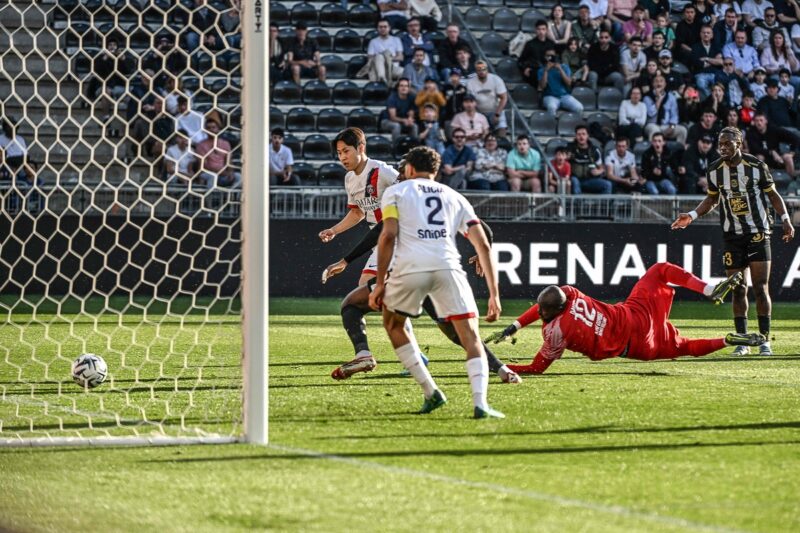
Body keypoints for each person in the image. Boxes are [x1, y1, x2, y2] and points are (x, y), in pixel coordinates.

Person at [321, 161, 521, 386]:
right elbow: (482, 230)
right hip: (442, 272)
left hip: (409, 274)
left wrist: (350, 262)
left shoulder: (401, 195)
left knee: (355, 306)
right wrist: (492, 284)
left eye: (402, 171)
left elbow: (382, 234)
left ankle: (383, 359)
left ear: (410, 171)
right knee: (458, 331)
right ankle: (503, 371)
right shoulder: (446, 195)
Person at [369, 146, 506, 418]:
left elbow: (387, 236)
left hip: (410, 268)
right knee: (471, 337)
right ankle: (480, 404)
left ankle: (431, 392)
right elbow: (483, 246)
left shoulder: (395, 192)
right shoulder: (455, 196)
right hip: (447, 268)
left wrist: (381, 280)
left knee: (393, 323)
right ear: (436, 171)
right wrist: (494, 294)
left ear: (408, 169)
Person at [484, 263, 766, 374]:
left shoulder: (556, 332)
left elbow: (537, 367)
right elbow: (545, 304)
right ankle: (709, 290)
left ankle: (726, 341)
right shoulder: (569, 294)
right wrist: (514, 325)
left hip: (639, 348)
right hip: (636, 315)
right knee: (660, 270)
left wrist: (500, 367)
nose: (538, 311)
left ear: (551, 312)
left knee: (686, 348)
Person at [671, 127, 795, 356]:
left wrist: (786, 220)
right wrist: (692, 215)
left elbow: (773, 194)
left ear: (739, 143)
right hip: (732, 235)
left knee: (760, 287)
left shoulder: (756, 166)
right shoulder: (715, 170)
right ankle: (743, 341)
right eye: (721, 144)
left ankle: (765, 340)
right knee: (738, 289)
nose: (723, 148)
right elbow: (712, 199)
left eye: (727, 144)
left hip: (758, 231)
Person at [319, 128, 400, 378]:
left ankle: (407, 351)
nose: (342, 157)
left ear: (361, 148)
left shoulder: (383, 172)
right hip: (380, 239)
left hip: (399, 238)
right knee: (365, 289)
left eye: (346, 151)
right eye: (339, 153)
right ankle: (372, 352)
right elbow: (357, 212)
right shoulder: (350, 179)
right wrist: (334, 230)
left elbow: (412, 193)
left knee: (367, 294)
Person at [465, 60, 509, 136]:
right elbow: (471, 102)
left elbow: (504, 98)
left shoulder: (496, 79)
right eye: (479, 70)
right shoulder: (470, 83)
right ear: (476, 71)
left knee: (502, 127)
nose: (481, 72)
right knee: (482, 132)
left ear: (487, 69)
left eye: (483, 69)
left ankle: (502, 142)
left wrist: (497, 114)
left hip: (496, 110)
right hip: (479, 112)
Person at [538, 47, 584, 117]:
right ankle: (551, 126)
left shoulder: (564, 67)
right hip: (549, 96)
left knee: (579, 107)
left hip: (565, 95)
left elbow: (569, 83)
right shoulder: (541, 70)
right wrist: (546, 71)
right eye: (548, 56)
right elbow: (542, 86)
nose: (550, 58)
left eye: (552, 56)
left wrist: (560, 69)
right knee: (551, 107)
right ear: (545, 57)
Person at [195, 117, 240, 188]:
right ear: (205, 130)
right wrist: (224, 173)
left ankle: (231, 196)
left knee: (238, 177)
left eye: (213, 127)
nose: (211, 130)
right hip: (207, 174)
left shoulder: (225, 144)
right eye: (208, 128)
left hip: (224, 175)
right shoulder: (201, 145)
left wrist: (230, 172)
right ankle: (208, 199)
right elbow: (204, 166)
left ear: (218, 129)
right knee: (212, 177)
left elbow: (229, 161)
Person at [567, 124, 612, 194]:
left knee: (607, 185)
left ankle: (601, 205)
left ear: (588, 136)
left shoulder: (595, 150)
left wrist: (599, 171)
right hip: (575, 179)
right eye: (579, 134)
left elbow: (602, 168)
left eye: (583, 134)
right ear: (575, 136)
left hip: (590, 180)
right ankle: (578, 204)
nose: (581, 137)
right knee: (574, 181)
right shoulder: (569, 148)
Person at [644, 74, 688, 144]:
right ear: (653, 84)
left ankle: (679, 152)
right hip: (652, 124)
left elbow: (674, 115)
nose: (659, 83)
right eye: (656, 81)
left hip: (666, 126)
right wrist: (659, 99)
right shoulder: (647, 97)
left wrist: (672, 126)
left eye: (661, 81)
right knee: (655, 131)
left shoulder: (671, 97)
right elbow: (650, 113)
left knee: (682, 130)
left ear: (665, 84)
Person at [365, 19, 405, 85]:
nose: (383, 29)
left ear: (389, 28)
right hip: (378, 68)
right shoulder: (373, 41)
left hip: (393, 68)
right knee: (379, 56)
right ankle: (382, 79)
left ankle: (394, 87)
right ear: (377, 28)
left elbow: (400, 57)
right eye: (380, 27)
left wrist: (387, 59)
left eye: (385, 27)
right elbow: (370, 59)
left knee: (404, 71)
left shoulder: (396, 40)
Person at [519, 20, 556, 85]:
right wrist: (525, 68)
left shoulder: (551, 44)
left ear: (547, 30)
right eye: (539, 29)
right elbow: (521, 60)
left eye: (543, 29)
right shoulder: (530, 44)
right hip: (535, 70)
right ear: (535, 30)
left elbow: (554, 59)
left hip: (548, 69)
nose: (541, 32)